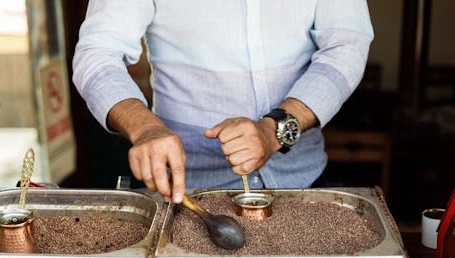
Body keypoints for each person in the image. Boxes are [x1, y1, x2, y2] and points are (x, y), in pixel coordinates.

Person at [73, 0, 374, 203]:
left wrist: (274, 131)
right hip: (187, 192)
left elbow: (346, 46)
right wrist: (144, 128)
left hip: (302, 181)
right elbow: (97, 53)